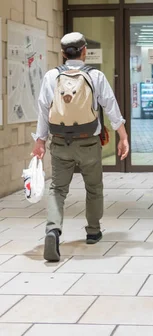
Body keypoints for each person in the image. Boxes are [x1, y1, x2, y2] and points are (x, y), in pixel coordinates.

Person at [31, 32, 129, 262]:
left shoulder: (51, 76)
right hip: (88, 143)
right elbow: (111, 107)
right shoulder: (95, 76)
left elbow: (44, 110)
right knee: (94, 187)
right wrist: (122, 136)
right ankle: (93, 231)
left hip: (60, 143)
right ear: (84, 50)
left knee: (57, 190)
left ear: (63, 53)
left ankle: (52, 231)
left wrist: (40, 141)